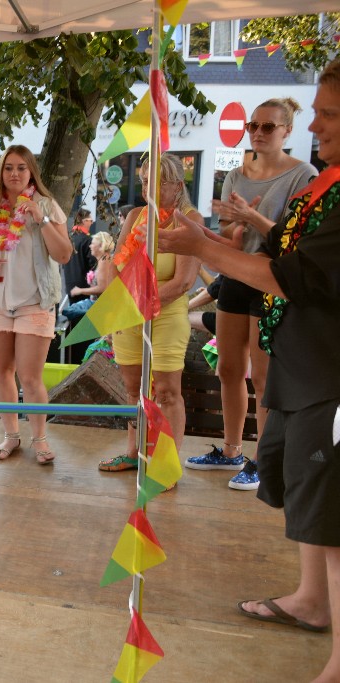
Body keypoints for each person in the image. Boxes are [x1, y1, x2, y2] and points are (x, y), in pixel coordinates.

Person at [160, 57, 340, 681]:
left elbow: (289, 276)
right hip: (301, 359)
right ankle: (312, 599)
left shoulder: (327, 186)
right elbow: (286, 248)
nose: (315, 122)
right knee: (307, 496)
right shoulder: (325, 183)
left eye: (329, 113)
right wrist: (230, 239)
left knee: (330, 505)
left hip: (326, 370)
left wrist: (202, 247)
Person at [185, 97, 319, 492]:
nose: (258, 133)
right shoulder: (236, 174)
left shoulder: (303, 174)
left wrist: (252, 218)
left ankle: (262, 460)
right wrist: (227, 232)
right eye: (253, 126)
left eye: (268, 127)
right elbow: (231, 237)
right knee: (228, 367)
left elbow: (295, 238)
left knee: (262, 375)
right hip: (236, 275)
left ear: (287, 132)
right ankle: (230, 451)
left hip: (272, 278)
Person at [99, 153, 200, 472]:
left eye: (156, 182)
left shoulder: (190, 219)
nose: (148, 188)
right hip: (130, 314)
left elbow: (183, 281)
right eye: (144, 181)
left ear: (177, 185)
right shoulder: (136, 216)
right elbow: (117, 264)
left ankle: (166, 464)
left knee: (168, 391)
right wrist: (123, 304)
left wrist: (145, 305)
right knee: (134, 389)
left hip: (167, 317)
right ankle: (134, 452)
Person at [0, 145, 72, 465]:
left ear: (31, 173)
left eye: (21, 168)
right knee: (2, 372)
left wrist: (41, 220)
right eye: (8, 168)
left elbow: (64, 255)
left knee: (30, 378)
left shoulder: (46, 205)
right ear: (0, 172)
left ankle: (40, 438)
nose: (14, 174)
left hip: (34, 302)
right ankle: (11, 436)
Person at [63, 231, 116, 324]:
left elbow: (102, 288)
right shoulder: (103, 260)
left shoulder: (104, 261)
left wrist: (80, 290)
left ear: (100, 246)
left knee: (69, 311)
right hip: (98, 306)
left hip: (100, 308)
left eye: (92, 243)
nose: (90, 246)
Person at [64, 209, 96, 305]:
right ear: (84, 221)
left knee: (73, 315)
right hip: (83, 287)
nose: (92, 222)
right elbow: (93, 264)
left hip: (69, 284)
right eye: (90, 220)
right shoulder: (87, 240)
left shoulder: (68, 237)